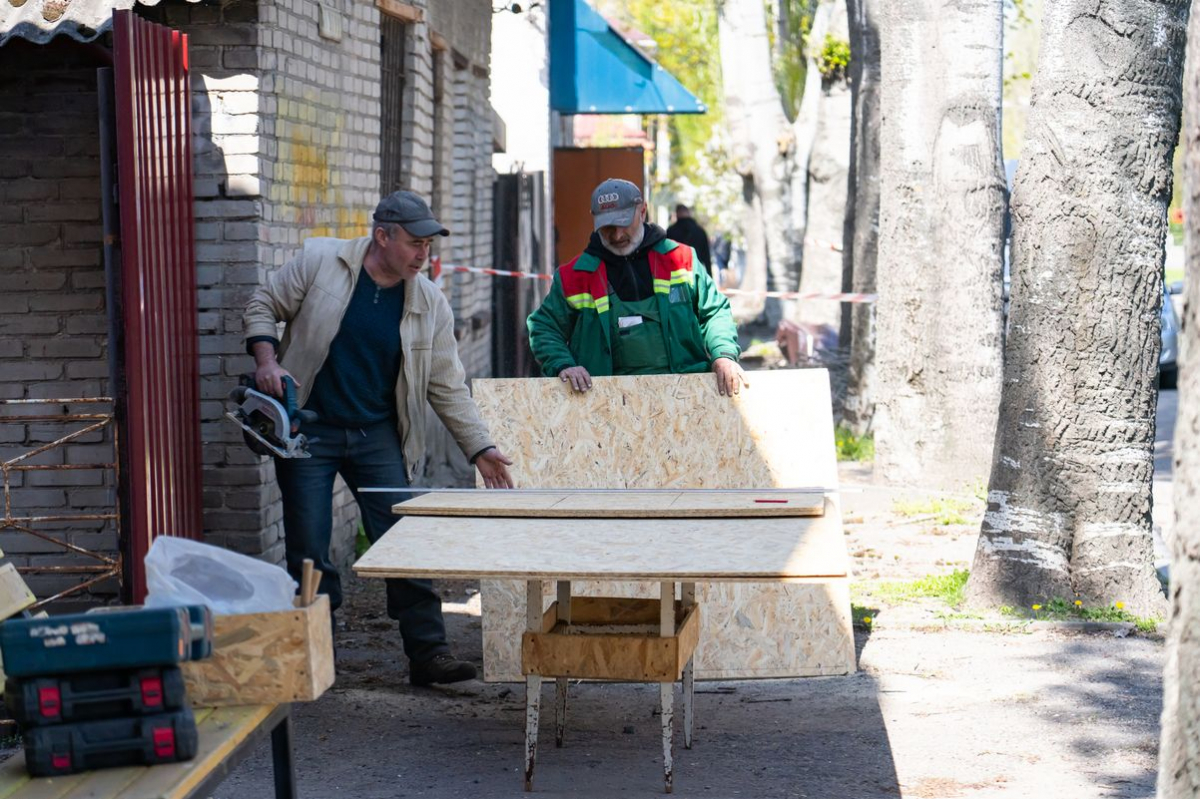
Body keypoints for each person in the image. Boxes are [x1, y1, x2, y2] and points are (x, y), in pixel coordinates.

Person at [243, 190, 514, 686]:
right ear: (382, 235)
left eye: (429, 246)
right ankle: (312, 659)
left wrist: (480, 448)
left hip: (376, 435)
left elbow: (445, 384)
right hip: (310, 432)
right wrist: (267, 361)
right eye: (414, 243)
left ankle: (429, 655)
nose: (422, 255)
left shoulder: (429, 302)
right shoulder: (321, 262)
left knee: (404, 539)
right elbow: (263, 303)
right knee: (310, 549)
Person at [528, 178, 748, 396]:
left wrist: (723, 355)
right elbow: (544, 327)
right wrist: (563, 364)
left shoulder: (682, 259)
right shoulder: (575, 276)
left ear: (642, 211)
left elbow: (715, 312)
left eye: (623, 223)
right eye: (607, 228)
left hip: (684, 398)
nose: (617, 235)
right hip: (603, 403)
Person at [665, 203, 712, 270]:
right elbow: (706, 256)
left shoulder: (671, 231)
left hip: (676, 272)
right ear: (688, 213)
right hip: (696, 270)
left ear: (677, 214)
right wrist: (709, 275)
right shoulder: (700, 231)